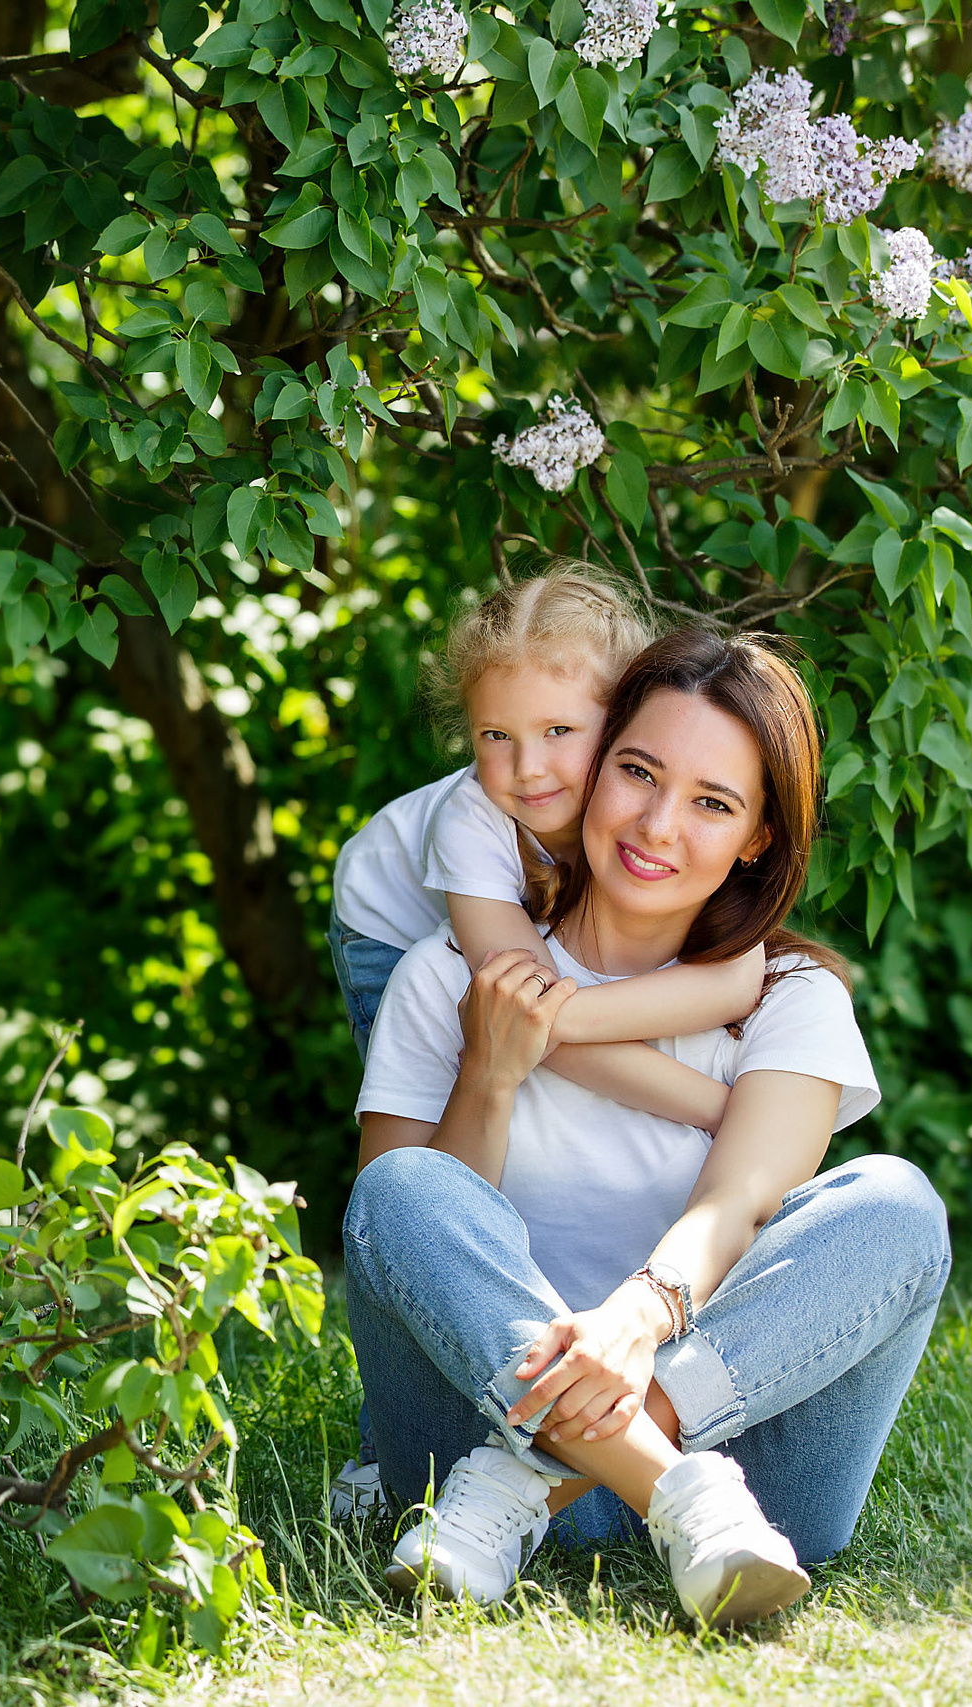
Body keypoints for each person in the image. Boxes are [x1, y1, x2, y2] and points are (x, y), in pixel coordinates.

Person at [345, 627, 951, 1624]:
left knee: (896, 1205)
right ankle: (669, 1495)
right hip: (459, 1448)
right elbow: (395, 1250)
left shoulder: (790, 999)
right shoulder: (441, 981)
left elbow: (740, 1197)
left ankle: (535, 1479)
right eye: (637, 772)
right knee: (398, 1187)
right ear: (593, 768)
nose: (659, 825)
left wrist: (635, 1319)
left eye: (712, 803)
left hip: (753, 1475)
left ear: (758, 835)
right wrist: (489, 1080)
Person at [323, 567, 779, 1519]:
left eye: (560, 734)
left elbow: (608, 996)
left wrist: (733, 985)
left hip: (520, 967)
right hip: (381, 931)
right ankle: (387, 1442)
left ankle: (555, 1425)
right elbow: (542, 1017)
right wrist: (711, 1105)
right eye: (496, 737)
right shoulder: (474, 823)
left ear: (619, 725)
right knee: (417, 1175)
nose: (527, 769)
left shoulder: (623, 808)